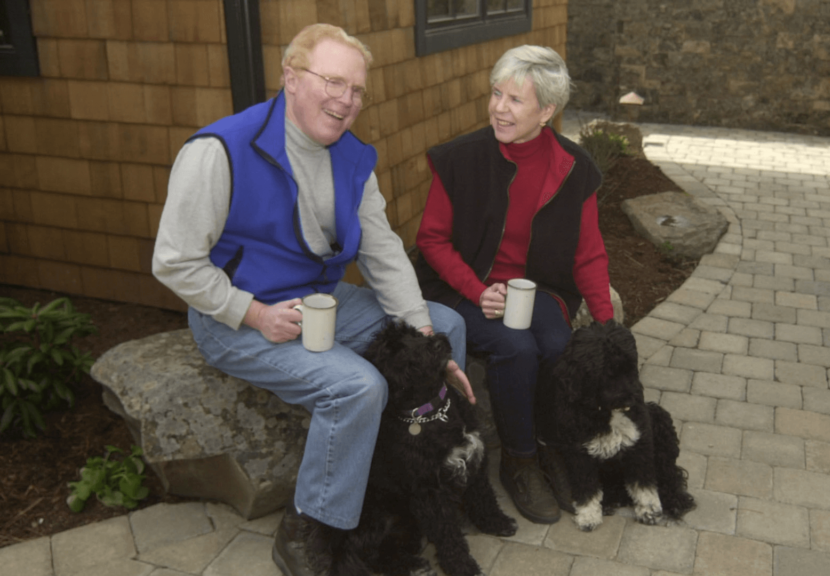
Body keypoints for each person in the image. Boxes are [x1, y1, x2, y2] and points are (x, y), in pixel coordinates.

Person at [152, 24, 472, 576]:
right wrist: (251, 313)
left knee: (446, 325)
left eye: (356, 90)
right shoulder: (220, 150)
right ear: (290, 78)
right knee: (356, 387)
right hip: (232, 315)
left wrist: (423, 337)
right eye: (333, 81)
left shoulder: (352, 157)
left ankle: (419, 471)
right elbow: (174, 261)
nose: (345, 100)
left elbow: (383, 252)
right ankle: (307, 528)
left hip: (319, 302)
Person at [415, 45, 614, 524]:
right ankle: (520, 461)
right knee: (515, 347)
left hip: (537, 287)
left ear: (547, 111)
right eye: (496, 94)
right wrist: (475, 289)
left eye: (515, 100)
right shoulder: (460, 159)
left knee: (556, 342)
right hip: (461, 287)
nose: (499, 108)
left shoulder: (574, 168)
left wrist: (609, 329)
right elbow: (431, 239)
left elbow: (587, 253)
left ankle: (551, 448)